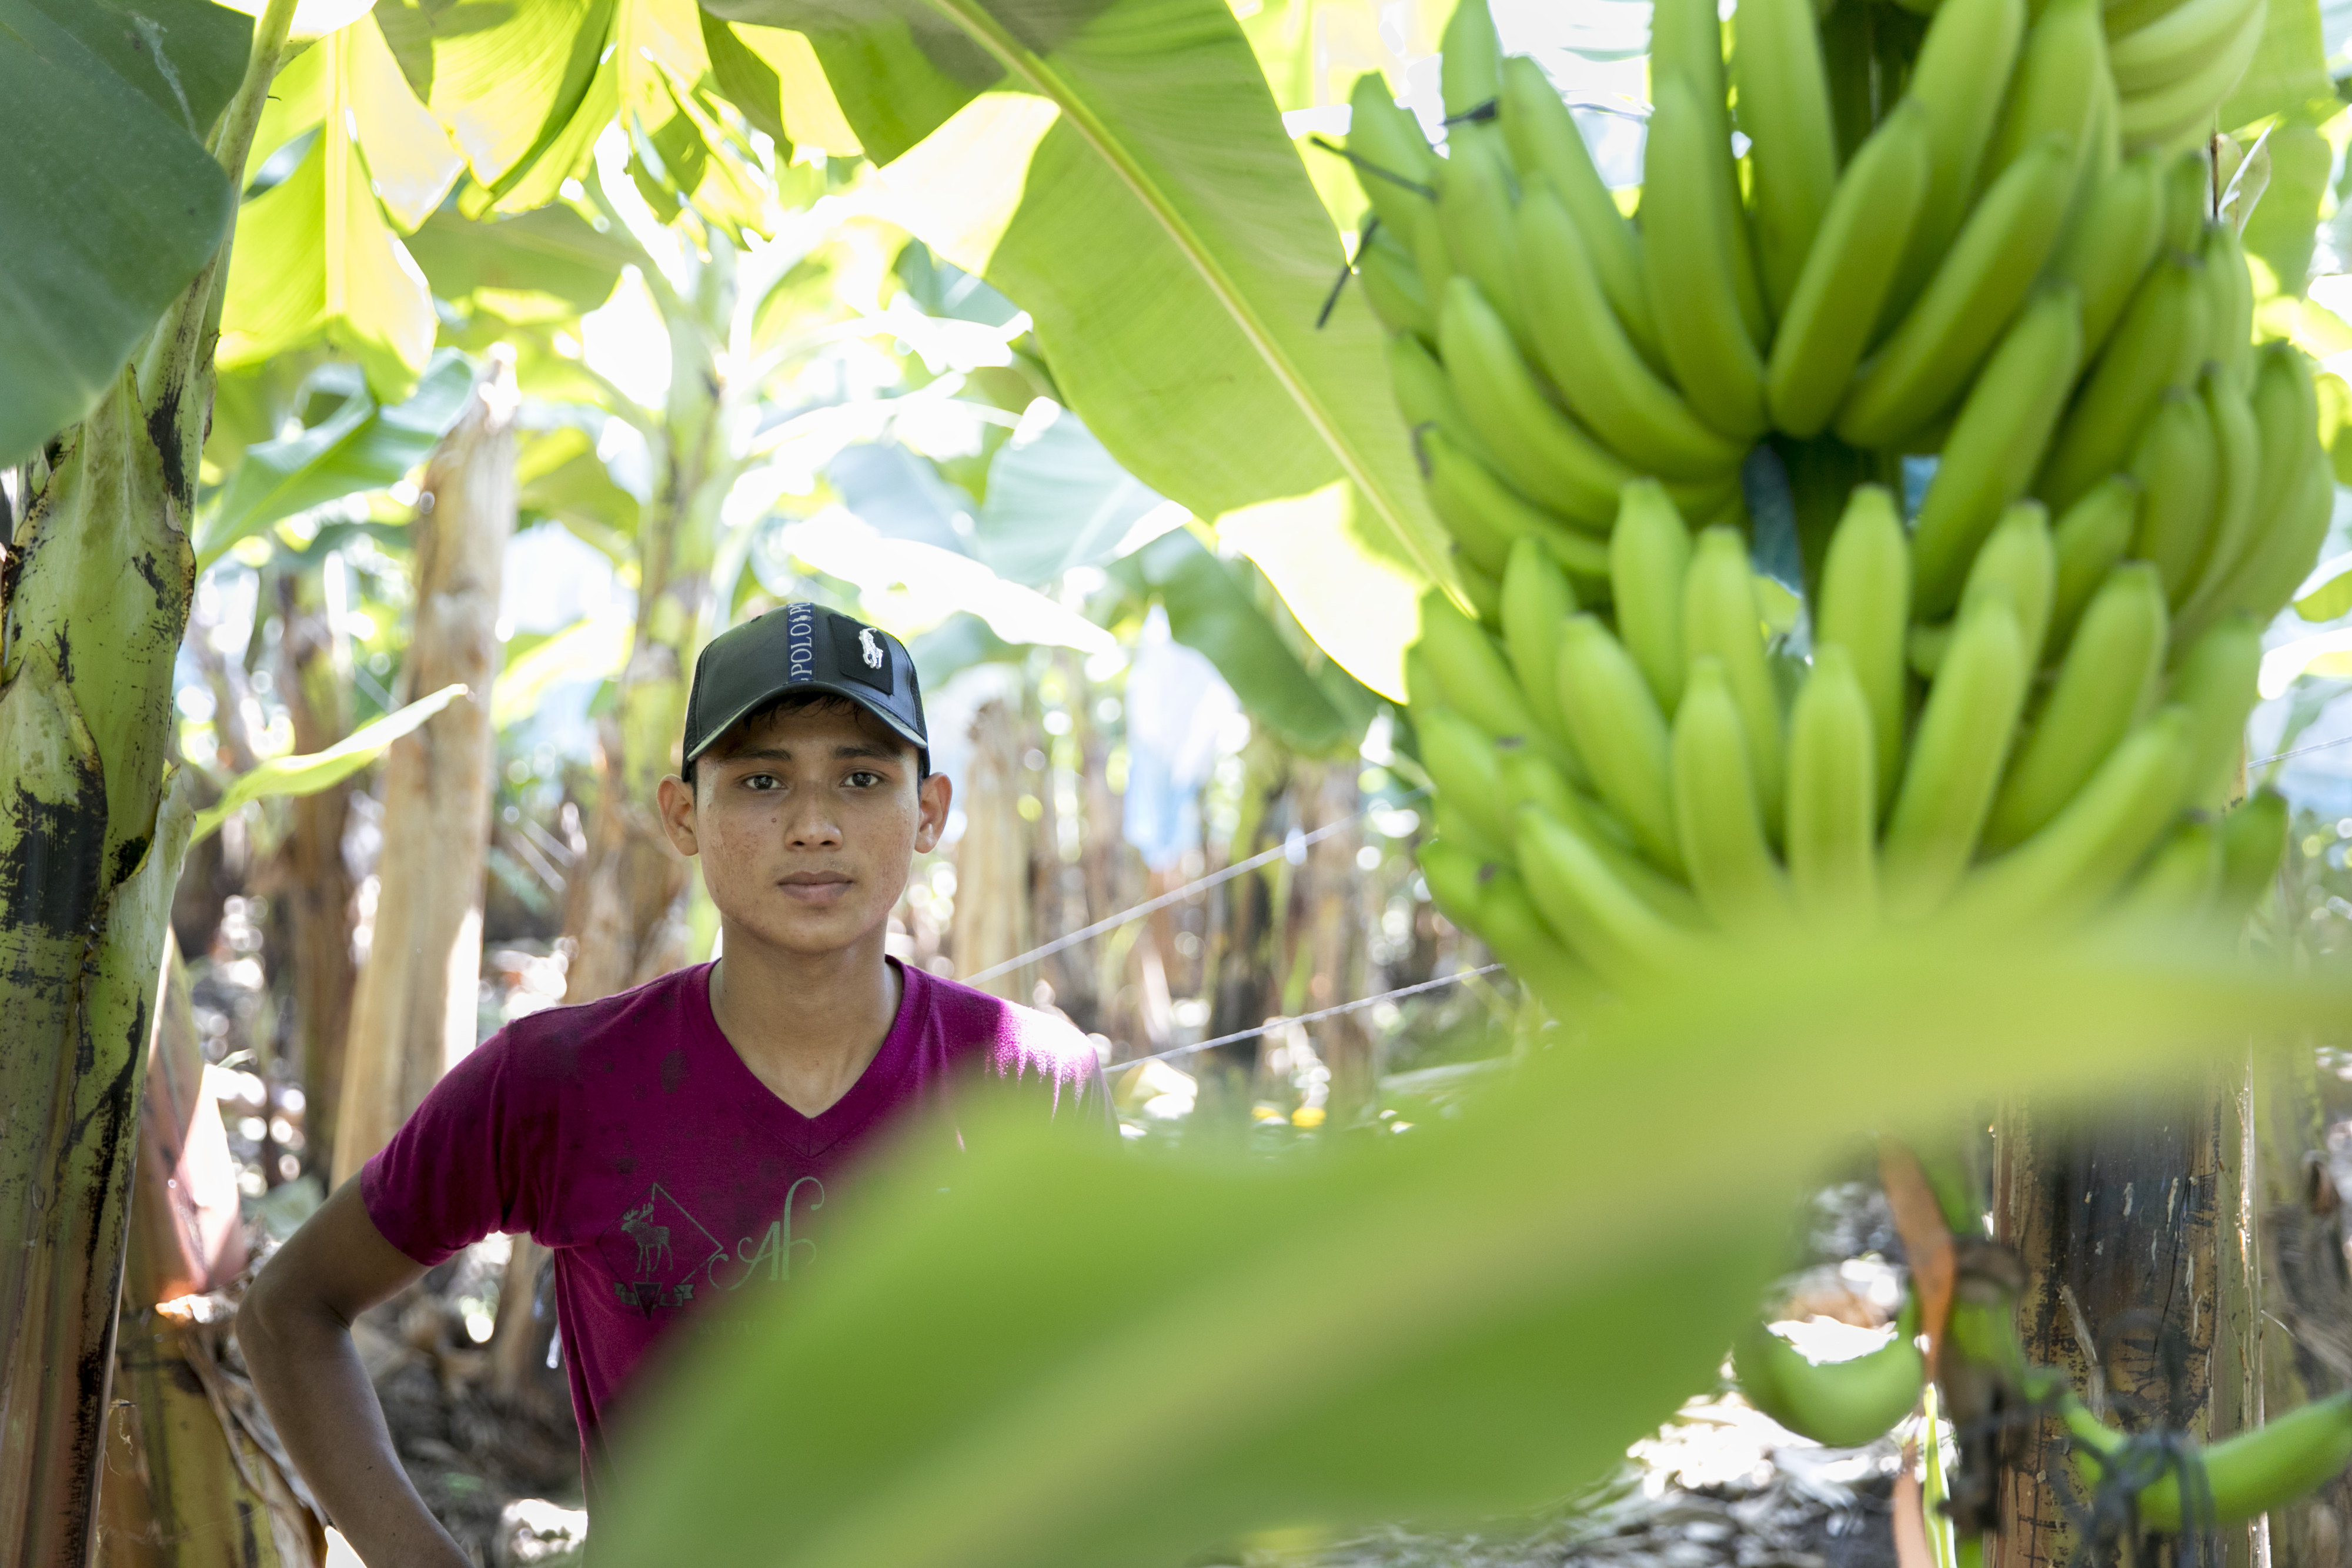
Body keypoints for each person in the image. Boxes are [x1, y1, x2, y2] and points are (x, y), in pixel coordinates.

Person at [239, 603, 1111, 1566]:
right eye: (761, 781)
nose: (813, 826)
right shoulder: (561, 1083)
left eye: (861, 779)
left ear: (930, 810)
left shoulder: (1032, 1078)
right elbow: (291, 1311)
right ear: (683, 813)